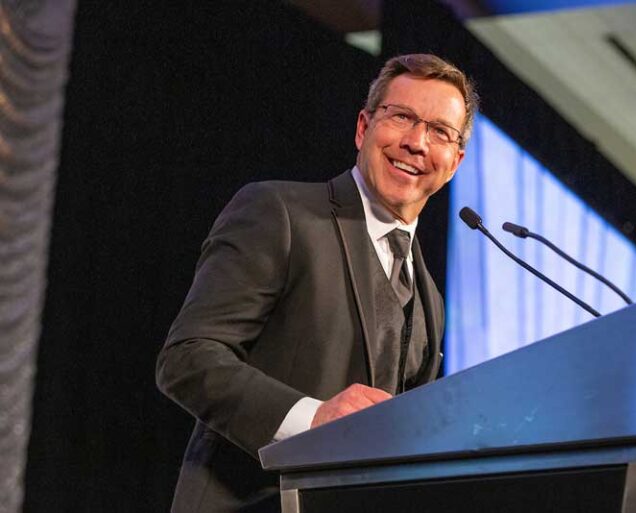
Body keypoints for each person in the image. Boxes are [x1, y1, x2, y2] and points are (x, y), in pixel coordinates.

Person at [156, 53, 479, 512]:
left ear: (455, 161)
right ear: (363, 128)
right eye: (401, 117)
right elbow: (187, 358)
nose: (416, 142)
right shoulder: (280, 212)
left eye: (440, 132)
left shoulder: (431, 297)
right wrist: (312, 419)